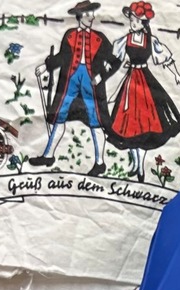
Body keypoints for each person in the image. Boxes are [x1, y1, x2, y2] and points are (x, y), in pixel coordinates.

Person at [31, 1, 122, 177]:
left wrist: (101, 76)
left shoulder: (100, 38)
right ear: (80, 17)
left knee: (96, 119)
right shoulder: (70, 35)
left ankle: (100, 163)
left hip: (91, 82)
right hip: (69, 80)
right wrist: (45, 66)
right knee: (59, 115)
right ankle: (48, 156)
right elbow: (62, 57)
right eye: (88, 15)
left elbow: (115, 61)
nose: (92, 17)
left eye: (92, 14)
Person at [108, 2, 180, 181]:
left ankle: (140, 166)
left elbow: (165, 60)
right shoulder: (125, 39)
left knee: (145, 124)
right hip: (130, 83)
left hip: (145, 82)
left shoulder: (151, 41)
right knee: (128, 125)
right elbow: (115, 59)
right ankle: (135, 164)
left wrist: (177, 75)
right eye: (131, 20)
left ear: (143, 23)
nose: (132, 23)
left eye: (136, 21)